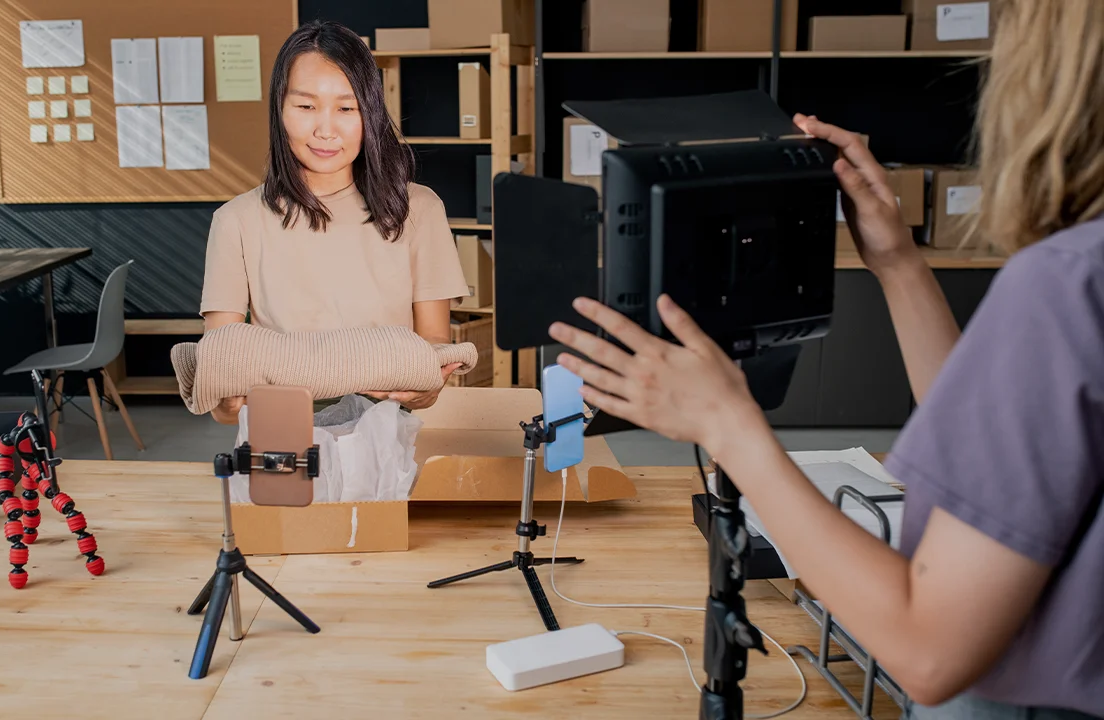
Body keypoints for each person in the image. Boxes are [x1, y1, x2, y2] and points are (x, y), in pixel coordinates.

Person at [548, 2, 1104, 718]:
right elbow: (1007, 455)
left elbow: (927, 652)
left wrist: (729, 427)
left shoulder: (1067, 283)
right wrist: (899, 264)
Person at [200, 21, 470, 424]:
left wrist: (423, 390)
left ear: (371, 112)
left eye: (347, 108)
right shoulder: (235, 221)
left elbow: (433, 346)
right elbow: (224, 370)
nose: (325, 129)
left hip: (388, 429)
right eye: (306, 106)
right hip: (283, 434)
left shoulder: (419, 209)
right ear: (279, 108)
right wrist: (224, 398)